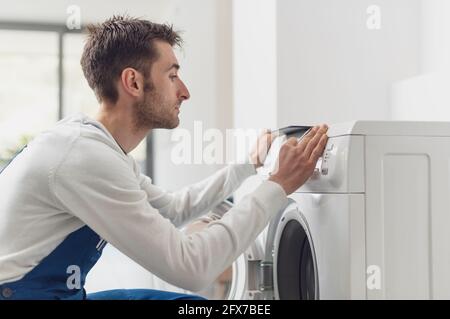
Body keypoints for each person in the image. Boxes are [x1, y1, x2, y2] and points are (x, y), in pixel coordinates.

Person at [0, 15, 328, 300]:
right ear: (133, 82)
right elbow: (192, 268)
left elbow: (173, 209)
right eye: (172, 75)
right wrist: (277, 185)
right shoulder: (83, 157)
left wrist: (249, 165)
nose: (184, 91)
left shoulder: (100, 148)